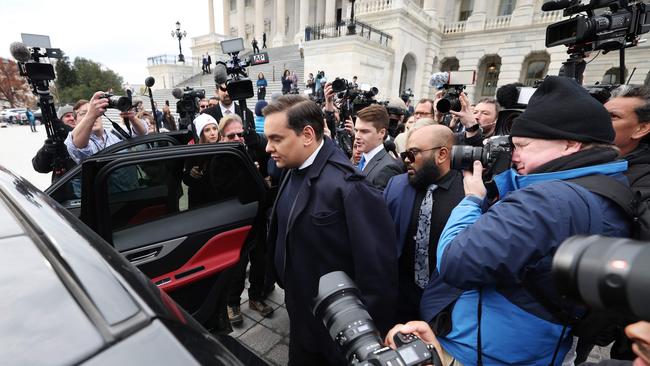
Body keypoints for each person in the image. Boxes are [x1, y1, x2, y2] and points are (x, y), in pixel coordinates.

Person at [415, 76, 629, 365]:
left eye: (524, 145)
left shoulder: (547, 202)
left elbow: (455, 261)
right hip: (538, 348)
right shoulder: (607, 185)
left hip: (481, 353)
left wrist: (472, 200)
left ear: (570, 144)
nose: (514, 155)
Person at [264, 95, 398, 365]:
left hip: (334, 332)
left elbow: (378, 275)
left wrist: (362, 340)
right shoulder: (292, 167)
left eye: (276, 138)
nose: (268, 147)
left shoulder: (350, 187)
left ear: (307, 135)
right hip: (301, 315)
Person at [384, 124, 464, 324]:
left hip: (448, 308)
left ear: (442, 154)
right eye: (405, 154)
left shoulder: (469, 193)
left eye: (413, 153)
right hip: (399, 303)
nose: (406, 161)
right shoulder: (397, 186)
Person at [221, 113, 275, 325]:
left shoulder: (252, 149)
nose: (237, 138)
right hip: (236, 222)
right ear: (222, 137)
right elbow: (221, 190)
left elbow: (269, 157)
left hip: (258, 217)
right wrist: (247, 173)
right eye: (231, 135)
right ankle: (232, 303)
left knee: (260, 259)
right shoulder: (219, 158)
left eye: (240, 134)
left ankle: (256, 297)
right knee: (237, 265)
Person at [65, 91, 148, 164]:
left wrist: (132, 118)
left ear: (101, 114)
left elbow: (142, 132)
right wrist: (91, 114)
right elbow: (77, 146)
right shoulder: (81, 141)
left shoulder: (116, 133)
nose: (94, 116)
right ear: (75, 121)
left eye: (95, 112)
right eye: (84, 114)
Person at [353, 104, 404, 190]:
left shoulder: (388, 168)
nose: (357, 136)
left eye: (364, 131)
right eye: (356, 130)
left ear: (382, 133)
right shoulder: (359, 161)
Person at [32, 103, 83, 182]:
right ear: (60, 121)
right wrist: (46, 150)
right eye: (67, 116)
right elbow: (39, 167)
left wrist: (67, 132)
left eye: (74, 115)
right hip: (64, 187)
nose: (72, 118)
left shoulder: (89, 136)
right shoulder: (57, 140)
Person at [182, 113, 220, 208]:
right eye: (207, 130)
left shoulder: (224, 148)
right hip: (199, 204)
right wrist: (191, 174)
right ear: (200, 133)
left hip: (219, 201)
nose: (212, 133)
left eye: (215, 128)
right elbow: (186, 180)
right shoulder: (193, 151)